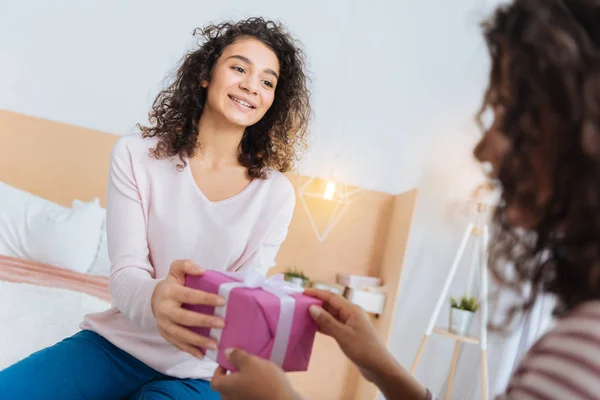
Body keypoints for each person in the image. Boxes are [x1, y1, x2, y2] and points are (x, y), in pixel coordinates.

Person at [209, 1, 600, 399]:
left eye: (503, 113)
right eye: (238, 68)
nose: (483, 150)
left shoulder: (583, 352)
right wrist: (380, 366)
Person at [0, 17, 311, 399]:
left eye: (267, 81)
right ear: (205, 74)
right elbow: (126, 272)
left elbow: (244, 296)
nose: (251, 85)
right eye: (239, 68)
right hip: (116, 346)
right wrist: (157, 298)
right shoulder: (135, 155)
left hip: (199, 371)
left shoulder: (274, 193)